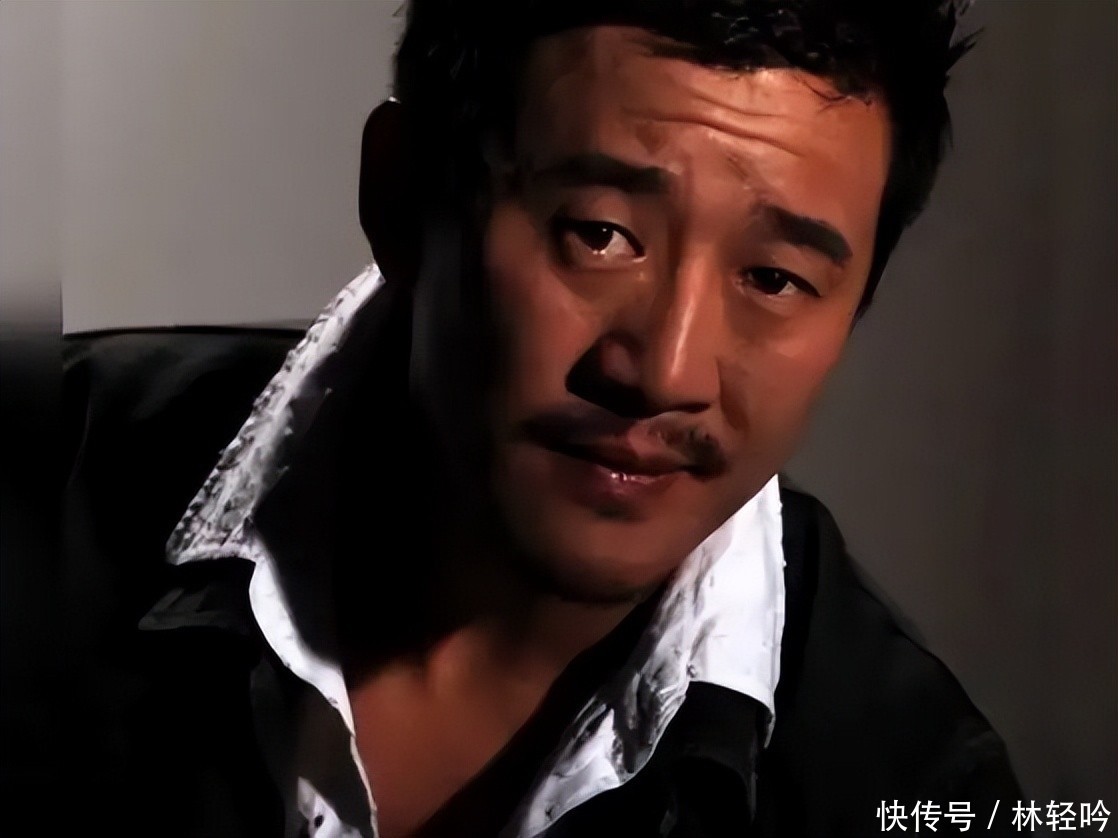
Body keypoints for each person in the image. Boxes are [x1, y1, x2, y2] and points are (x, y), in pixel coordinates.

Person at [60, 0, 1023, 835]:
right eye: (600, 234)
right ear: (402, 195)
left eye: (774, 279)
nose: (667, 371)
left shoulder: (913, 785)